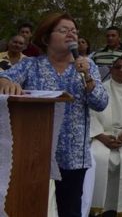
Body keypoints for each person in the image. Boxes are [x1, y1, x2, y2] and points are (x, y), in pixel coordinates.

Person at [0, 13, 108, 217]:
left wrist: (87, 78)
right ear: (46, 37)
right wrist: (6, 83)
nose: (71, 34)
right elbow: (3, 77)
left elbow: (101, 103)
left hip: (73, 155)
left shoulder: (87, 66)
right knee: (30, 206)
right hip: (35, 154)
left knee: (70, 210)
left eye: (74, 31)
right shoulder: (31, 65)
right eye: (64, 30)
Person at [89, 55, 122, 216]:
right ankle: (98, 206)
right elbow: (90, 114)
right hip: (103, 134)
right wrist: (100, 135)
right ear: (111, 69)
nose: (121, 70)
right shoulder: (99, 90)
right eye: (118, 67)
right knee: (96, 156)